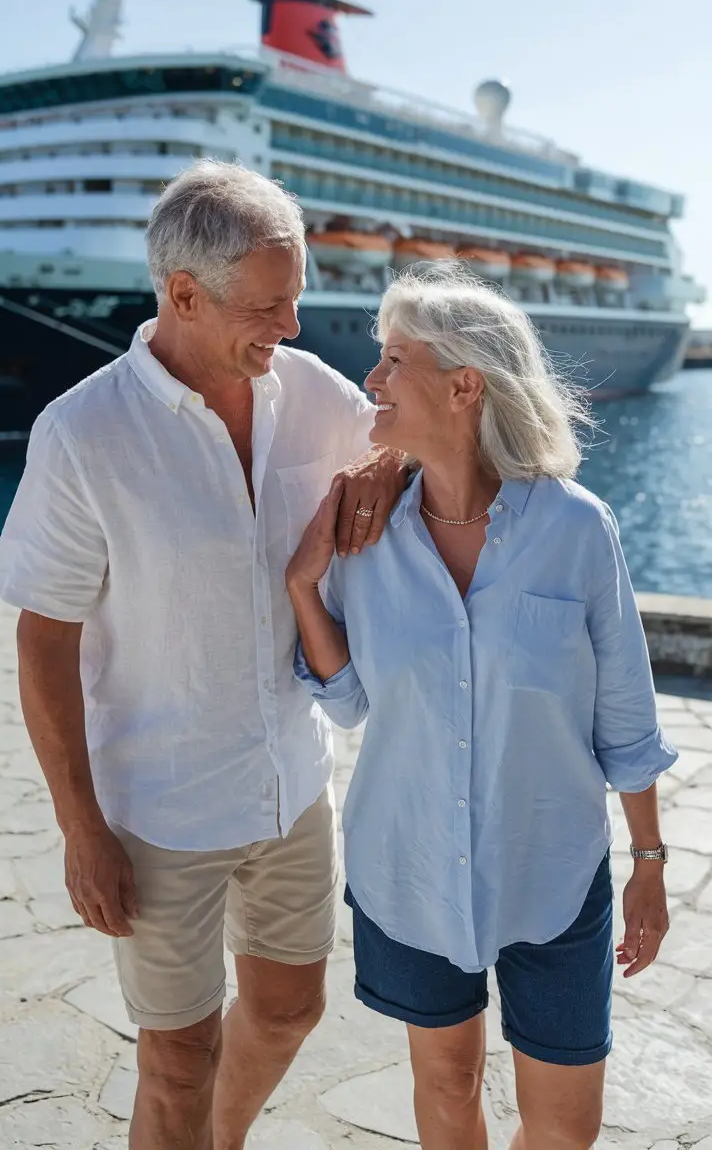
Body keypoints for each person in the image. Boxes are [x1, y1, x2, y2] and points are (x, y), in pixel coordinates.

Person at [0, 161, 410, 1150]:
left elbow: (404, 439)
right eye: (271, 304)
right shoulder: (83, 433)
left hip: (294, 784)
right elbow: (43, 637)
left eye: (296, 296)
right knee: (174, 1059)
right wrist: (81, 828)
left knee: (289, 1011)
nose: (294, 327)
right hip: (159, 813)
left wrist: (388, 469)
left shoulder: (308, 390)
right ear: (183, 294)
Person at [287, 267, 677, 1150]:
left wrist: (649, 863)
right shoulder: (363, 530)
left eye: (393, 359)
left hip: (554, 870)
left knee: (568, 1123)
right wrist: (304, 586)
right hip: (408, 868)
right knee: (445, 1081)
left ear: (466, 385)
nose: (372, 379)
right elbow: (348, 703)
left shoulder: (577, 529)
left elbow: (626, 716)